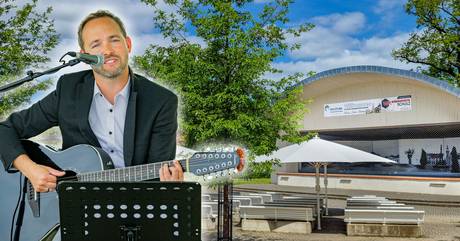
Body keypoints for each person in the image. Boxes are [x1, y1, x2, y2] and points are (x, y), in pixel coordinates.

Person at [0, 10, 184, 193]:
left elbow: (158, 173)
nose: (108, 51)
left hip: (132, 205)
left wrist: (167, 186)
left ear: (128, 44)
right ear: (84, 55)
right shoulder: (68, 89)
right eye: (96, 45)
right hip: (71, 207)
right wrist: (30, 169)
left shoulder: (161, 101)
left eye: (114, 40)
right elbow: (5, 129)